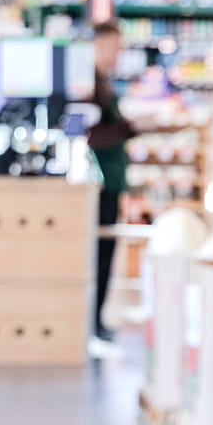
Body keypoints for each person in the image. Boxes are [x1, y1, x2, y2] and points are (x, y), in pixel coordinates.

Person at [85, 19, 137, 342]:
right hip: (100, 183)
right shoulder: (89, 84)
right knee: (101, 254)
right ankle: (93, 323)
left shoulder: (102, 81)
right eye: (115, 46)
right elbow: (91, 135)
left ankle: (97, 319)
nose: (118, 54)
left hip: (111, 181)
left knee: (106, 252)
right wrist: (129, 127)